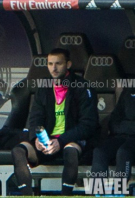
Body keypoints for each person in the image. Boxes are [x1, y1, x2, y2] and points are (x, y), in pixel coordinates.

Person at [11, 48, 99, 195]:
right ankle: (26, 195)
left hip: (70, 141)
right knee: (18, 151)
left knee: (70, 150)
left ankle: (65, 194)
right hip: (47, 143)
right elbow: (35, 119)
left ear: (68, 64)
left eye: (58, 63)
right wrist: (37, 139)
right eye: (50, 64)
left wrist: (61, 141)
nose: (54, 68)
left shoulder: (82, 86)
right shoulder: (44, 87)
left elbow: (88, 124)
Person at [91, 87, 135, 188]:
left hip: (131, 140)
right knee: (99, 151)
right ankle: (96, 190)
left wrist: (124, 126)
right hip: (120, 136)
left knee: (124, 152)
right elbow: (114, 119)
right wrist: (126, 128)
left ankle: (119, 189)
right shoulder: (129, 91)